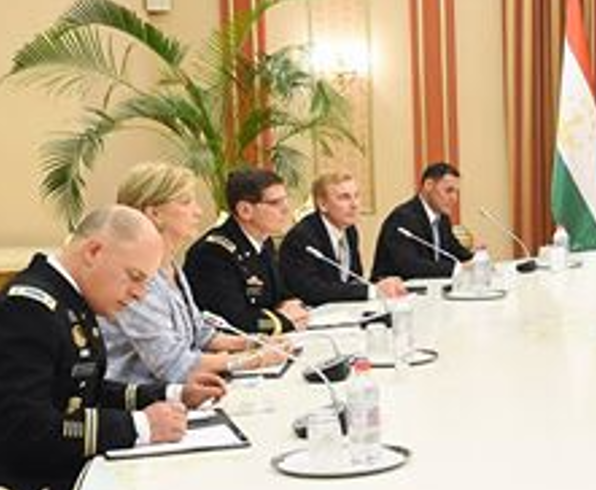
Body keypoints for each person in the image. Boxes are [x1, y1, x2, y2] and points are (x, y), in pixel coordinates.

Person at [0, 207, 226, 490]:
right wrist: (140, 427)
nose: (139, 294)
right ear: (94, 252)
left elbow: (86, 390)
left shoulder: (67, 300)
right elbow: (28, 430)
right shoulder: (24, 311)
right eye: (135, 277)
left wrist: (172, 393)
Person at [100, 163, 291, 386]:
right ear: (154, 213)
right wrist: (253, 359)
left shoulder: (169, 265)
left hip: (184, 389)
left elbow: (200, 332)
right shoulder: (136, 278)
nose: (198, 211)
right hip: (148, 397)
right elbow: (172, 365)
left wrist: (253, 342)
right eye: (186, 202)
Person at [184, 167, 310, 337]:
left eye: (285, 200)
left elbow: (279, 292)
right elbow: (235, 321)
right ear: (245, 210)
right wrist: (283, 321)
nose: (286, 209)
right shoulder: (213, 253)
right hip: (229, 346)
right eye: (275, 203)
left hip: (265, 340)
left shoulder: (263, 240)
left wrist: (292, 304)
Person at [279, 172, 410, 305]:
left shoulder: (350, 231)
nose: (354, 204)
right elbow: (312, 290)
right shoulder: (302, 237)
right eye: (344, 197)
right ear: (322, 204)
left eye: (356, 196)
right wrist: (370, 291)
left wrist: (380, 285)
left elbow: (353, 278)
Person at [372, 161, 472, 280]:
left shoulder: (442, 219)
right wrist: (457, 268)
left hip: (429, 287)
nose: (454, 198)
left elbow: (455, 251)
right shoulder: (402, 218)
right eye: (449, 190)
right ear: (428, 185)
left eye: (456, 192)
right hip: (396, 289)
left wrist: (477, 259)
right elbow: (411, 266)